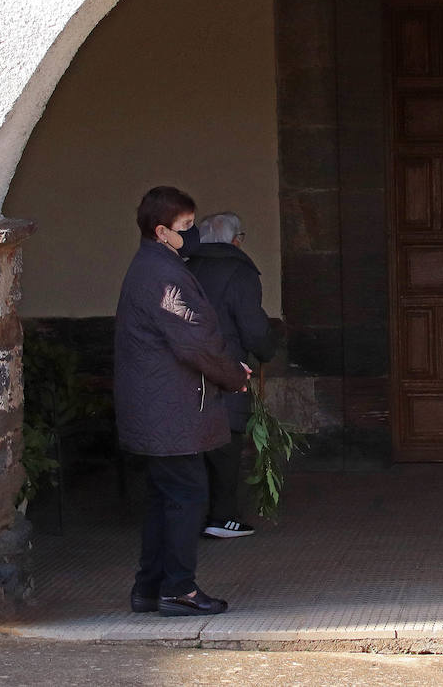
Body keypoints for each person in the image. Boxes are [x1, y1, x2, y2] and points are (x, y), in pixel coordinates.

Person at [114, 186, 250, 617]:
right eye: (186, 228)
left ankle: (150, 589)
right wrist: (233, 376)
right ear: (162, 232)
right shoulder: (163, 275)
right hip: (170, 411)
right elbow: (194, 341)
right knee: (188, 496)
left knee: (164, 499)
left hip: (159, 409)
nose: (193, 235)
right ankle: (179, 589)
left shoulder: (153, 265)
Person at [185, 211, 276, 539]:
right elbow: (252, 326)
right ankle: (222, 517)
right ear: (236, 239)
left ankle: (191, 516)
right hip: (225, 369)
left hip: (184, 371)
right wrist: (267, 348)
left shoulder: (185, 267)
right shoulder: (238, 270)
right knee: (224, 443)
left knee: (192, 445)